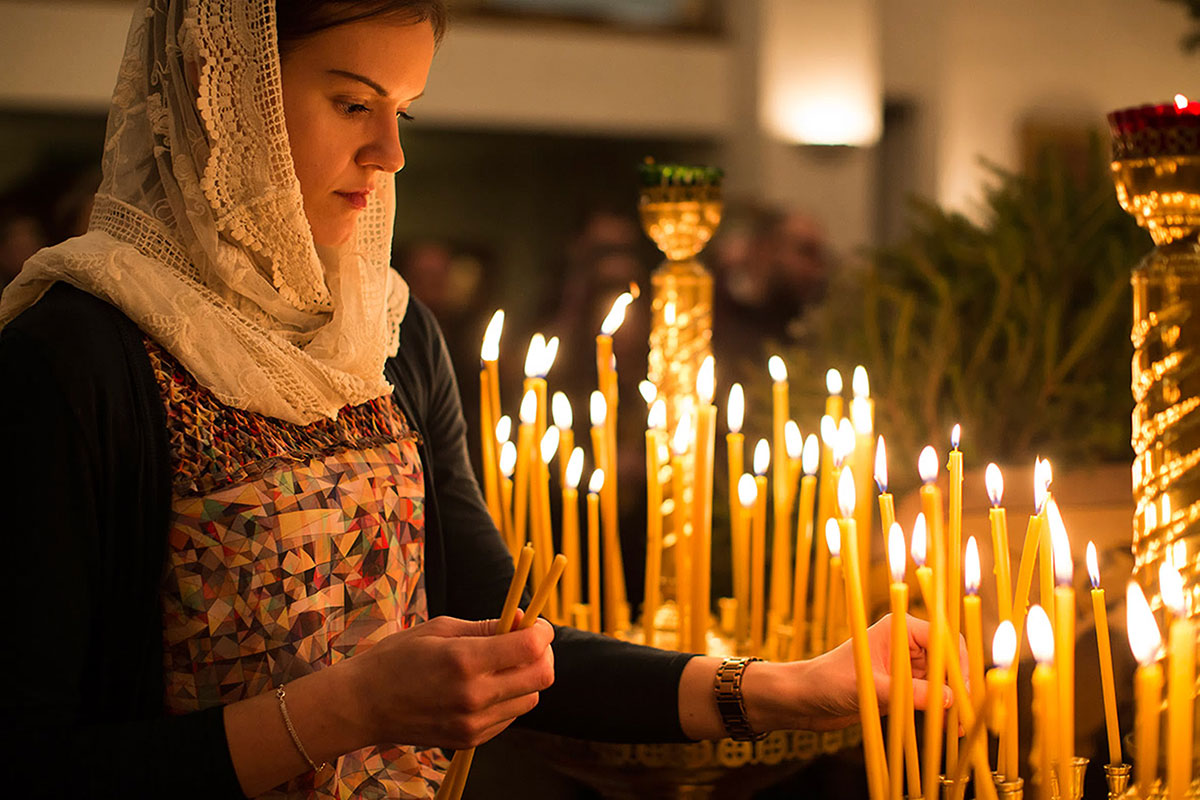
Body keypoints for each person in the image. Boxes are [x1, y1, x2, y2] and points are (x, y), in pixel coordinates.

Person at [0, 2, 949, 799]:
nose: (388, 155)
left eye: (402, 112)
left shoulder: (388, 334)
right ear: (225, 101)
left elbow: (509, 633)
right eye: (351, 102)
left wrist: (782, 686)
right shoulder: (75, 361)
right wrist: (349, 710)